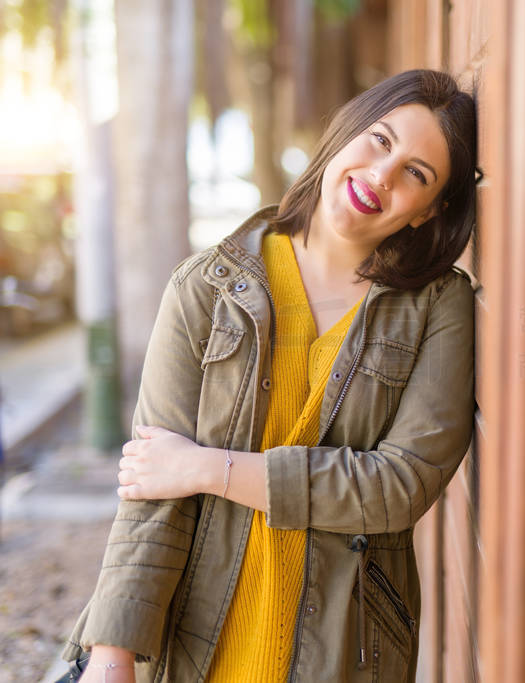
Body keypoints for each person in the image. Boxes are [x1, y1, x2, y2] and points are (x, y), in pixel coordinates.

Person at [59, 69, 479, 683]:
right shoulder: (205, 287)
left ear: (429, 211)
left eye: (416, 173)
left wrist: (209, 469)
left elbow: (400, 485)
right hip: (196, 645)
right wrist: (111, 653)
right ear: (344, 134)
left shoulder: (438, 307)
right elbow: (153, 483)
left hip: (344, 651)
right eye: (380, 140)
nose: (382, 176)